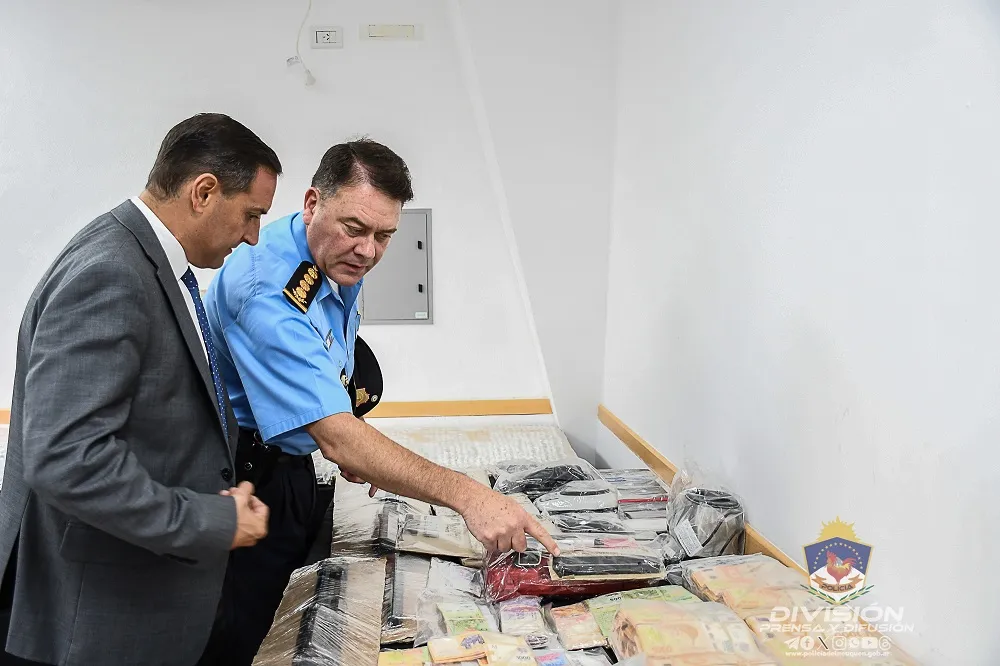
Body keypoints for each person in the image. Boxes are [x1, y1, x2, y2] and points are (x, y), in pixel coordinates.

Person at [203, 137, 560, 663]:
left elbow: (331, 373)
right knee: (251, 634)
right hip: (246, 481)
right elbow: (338, 437)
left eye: (384, 236)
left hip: (293, 465)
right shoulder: (267, 290)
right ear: (312, 203)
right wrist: (470, 496)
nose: (368, 250)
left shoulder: (332, 259)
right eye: (355, 228)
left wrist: (348, 439)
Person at [0, 113, 279, 666]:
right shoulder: (111, 272)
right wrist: (209, 520)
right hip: (91, 620)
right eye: (251, 214)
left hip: (135, 601)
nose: (252, 236)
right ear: (204, 192)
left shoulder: (146, 262)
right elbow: (67, 459)